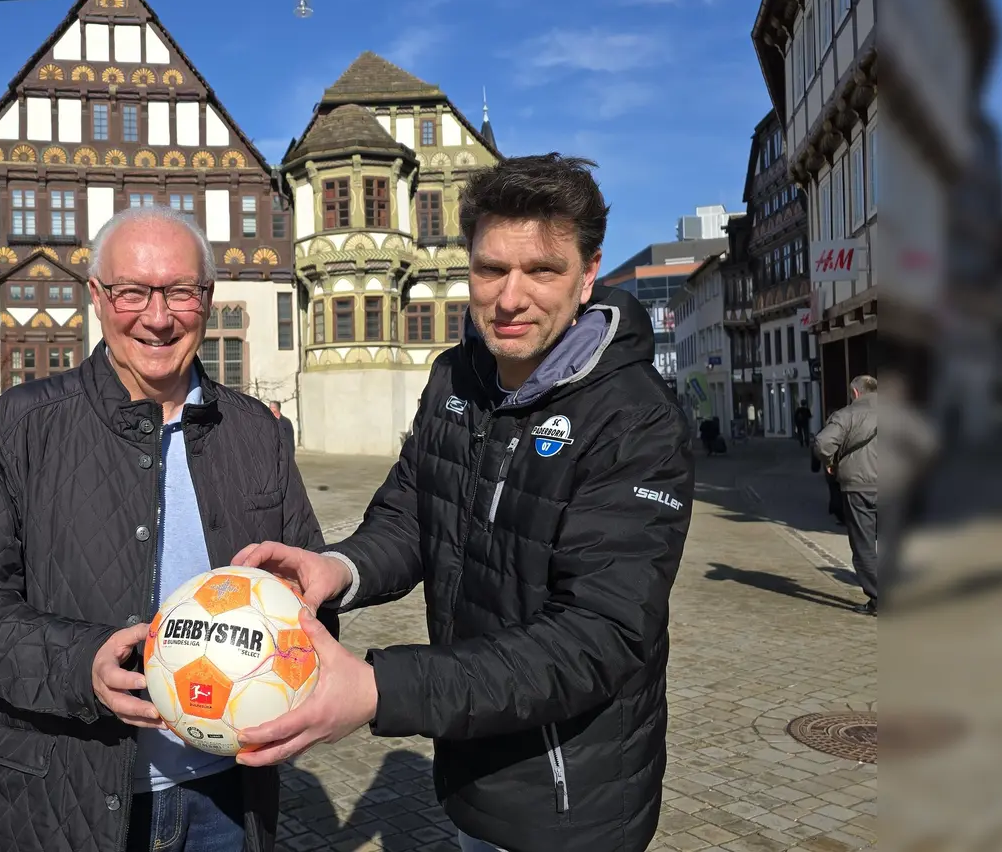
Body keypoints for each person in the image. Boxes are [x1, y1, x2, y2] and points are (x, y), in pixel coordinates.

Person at [231, 154, 695, 852]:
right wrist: (336, 570)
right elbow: (414, 514)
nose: (510, 299)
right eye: (490, 269)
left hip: (567, 795)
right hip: (469, 762)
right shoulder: (456, 374)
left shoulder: (636, 419)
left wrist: (380, 689)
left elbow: (599, 638)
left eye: (541, 270)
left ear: (588, 273)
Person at [0, 206, 329, 852]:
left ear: (207, 297)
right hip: (64, 801)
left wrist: (294, 630)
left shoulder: (257, 434)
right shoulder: (22, 428)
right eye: (132, 291)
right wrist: (81, 664)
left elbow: (316, 595)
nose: (158, 317)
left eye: (179, 292)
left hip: (227, 802)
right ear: (97, 298)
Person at [813, 375, 880, 615]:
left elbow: (822, 444)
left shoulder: (846, 415)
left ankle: (878, 599)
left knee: (864, 546)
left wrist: (830, 461)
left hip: (858, 487)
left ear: (855, 393)